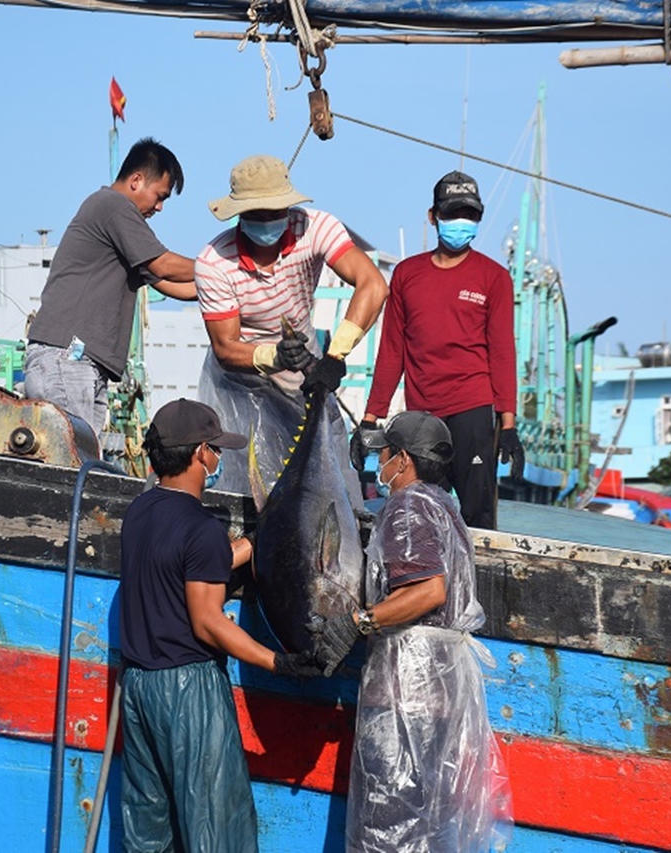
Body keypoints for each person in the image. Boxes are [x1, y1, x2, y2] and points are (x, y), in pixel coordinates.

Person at [118, 398, 323, 853]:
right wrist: (278, 662)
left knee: (148, 831)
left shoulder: (140, 512)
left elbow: (195, 563)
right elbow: (208, 622)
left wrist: (256, 540)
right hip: (188, 692)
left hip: (137, 687)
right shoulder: (200, 527)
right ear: (199, 454)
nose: (218, 460)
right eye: (216, 450)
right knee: (215, 829)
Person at [310, 411, 513, 852]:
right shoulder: (446, 508)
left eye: (383, 453)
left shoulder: (407, 506)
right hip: (441, 692)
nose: (378, 462)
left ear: (402, 459)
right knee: (428, 827)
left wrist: (360, 621)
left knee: (387, 827)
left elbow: (428, 591)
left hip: (408, 692)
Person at [195, 155, 388, 497]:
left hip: (304, 367)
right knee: (248, 483)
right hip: (241, 379)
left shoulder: (316, 228)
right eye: (257, 215)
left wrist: (336, 355)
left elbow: (373, 285)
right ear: (239, 214)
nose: (267, 222)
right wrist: (275, 355)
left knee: (328, 479)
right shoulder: (214, 262)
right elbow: (225, 347)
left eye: (275, 213)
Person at [355, 170, 524, 530]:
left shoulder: (494, 277)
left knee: (478, 516)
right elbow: (391, 351)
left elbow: (502, 352)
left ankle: (476, 585)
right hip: (422, 417)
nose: (460, 223)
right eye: (451, 214)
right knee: (418, 514)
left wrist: (507, 423)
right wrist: (371, 418)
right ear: (433, 217)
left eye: (470, 215)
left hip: (473, 409)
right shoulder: (406, 274)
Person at [25, 138, 198, 436]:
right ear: (136, 180)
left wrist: (231, 287)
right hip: (67, 358)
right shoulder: (113, 206)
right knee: (69, 465)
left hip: (82, 364)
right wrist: (221, 267)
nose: (159, 207)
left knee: (82, 464)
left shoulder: (121, 224)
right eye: (160, 196)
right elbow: (163, 265)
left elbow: (174, 286)